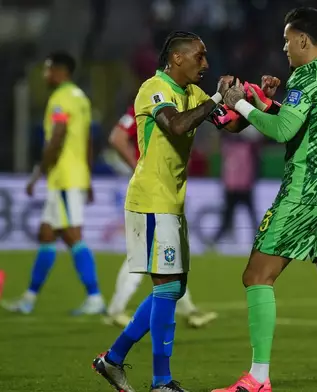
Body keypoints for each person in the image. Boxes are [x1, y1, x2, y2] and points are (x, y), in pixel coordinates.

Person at [212, 7, 317, 392]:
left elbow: (284, 131)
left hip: (305, 188)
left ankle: (259, 378)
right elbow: (304, 123)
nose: (284, 48)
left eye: (286, 40)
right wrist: (265, 103)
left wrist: (238, 102)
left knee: (257, 275)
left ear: (303, 40)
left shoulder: (306, 75)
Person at [92, 31, 230, 392]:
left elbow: (230, 123)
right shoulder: (154, 88)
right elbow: (176, 124)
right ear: (177, 59)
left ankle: (113, 360)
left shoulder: (193, 94)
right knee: (168, 287)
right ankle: (161, 381)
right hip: (151, 200)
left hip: (172, 202)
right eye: (200, 57)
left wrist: (252, 99)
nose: (206, 64)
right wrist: (217, 97)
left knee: (174, 287)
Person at [2, 51, 105, 315]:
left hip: (64, 177)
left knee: (72, 236)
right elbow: (86, 140)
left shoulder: (60, 98)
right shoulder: (80, 97)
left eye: (48, 69)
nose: (45, 75)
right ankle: (28, 299)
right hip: (74, 174)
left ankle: (95, 297)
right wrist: (88, 175)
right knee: (47, 235)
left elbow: (57, 136)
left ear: (61, 71)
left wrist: (38, 173)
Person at [104, 104, 217, 329]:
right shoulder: (147, 104)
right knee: (147, 253)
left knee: (166, 252)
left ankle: (190, 310)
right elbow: (117, 138)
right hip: (150, 190)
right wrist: (140, 168)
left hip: (163, 189)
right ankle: (116, 310)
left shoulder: (171, 106)